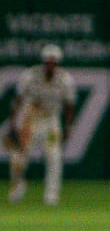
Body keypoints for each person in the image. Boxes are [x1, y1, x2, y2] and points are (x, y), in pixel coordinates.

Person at [6, 44, 75, 206]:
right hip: (30, 118)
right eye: (48, 61)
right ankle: (18, 185)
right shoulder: (30, 76)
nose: (50, 64)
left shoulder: (65, 79)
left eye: (54, 61)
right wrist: (12, 123)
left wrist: (68, 126)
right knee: (19, 156)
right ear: (44, 62)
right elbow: (19, 100)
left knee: (54, 156)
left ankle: (51, 194)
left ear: (58, 63)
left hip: (51, 120)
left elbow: (70, 105)